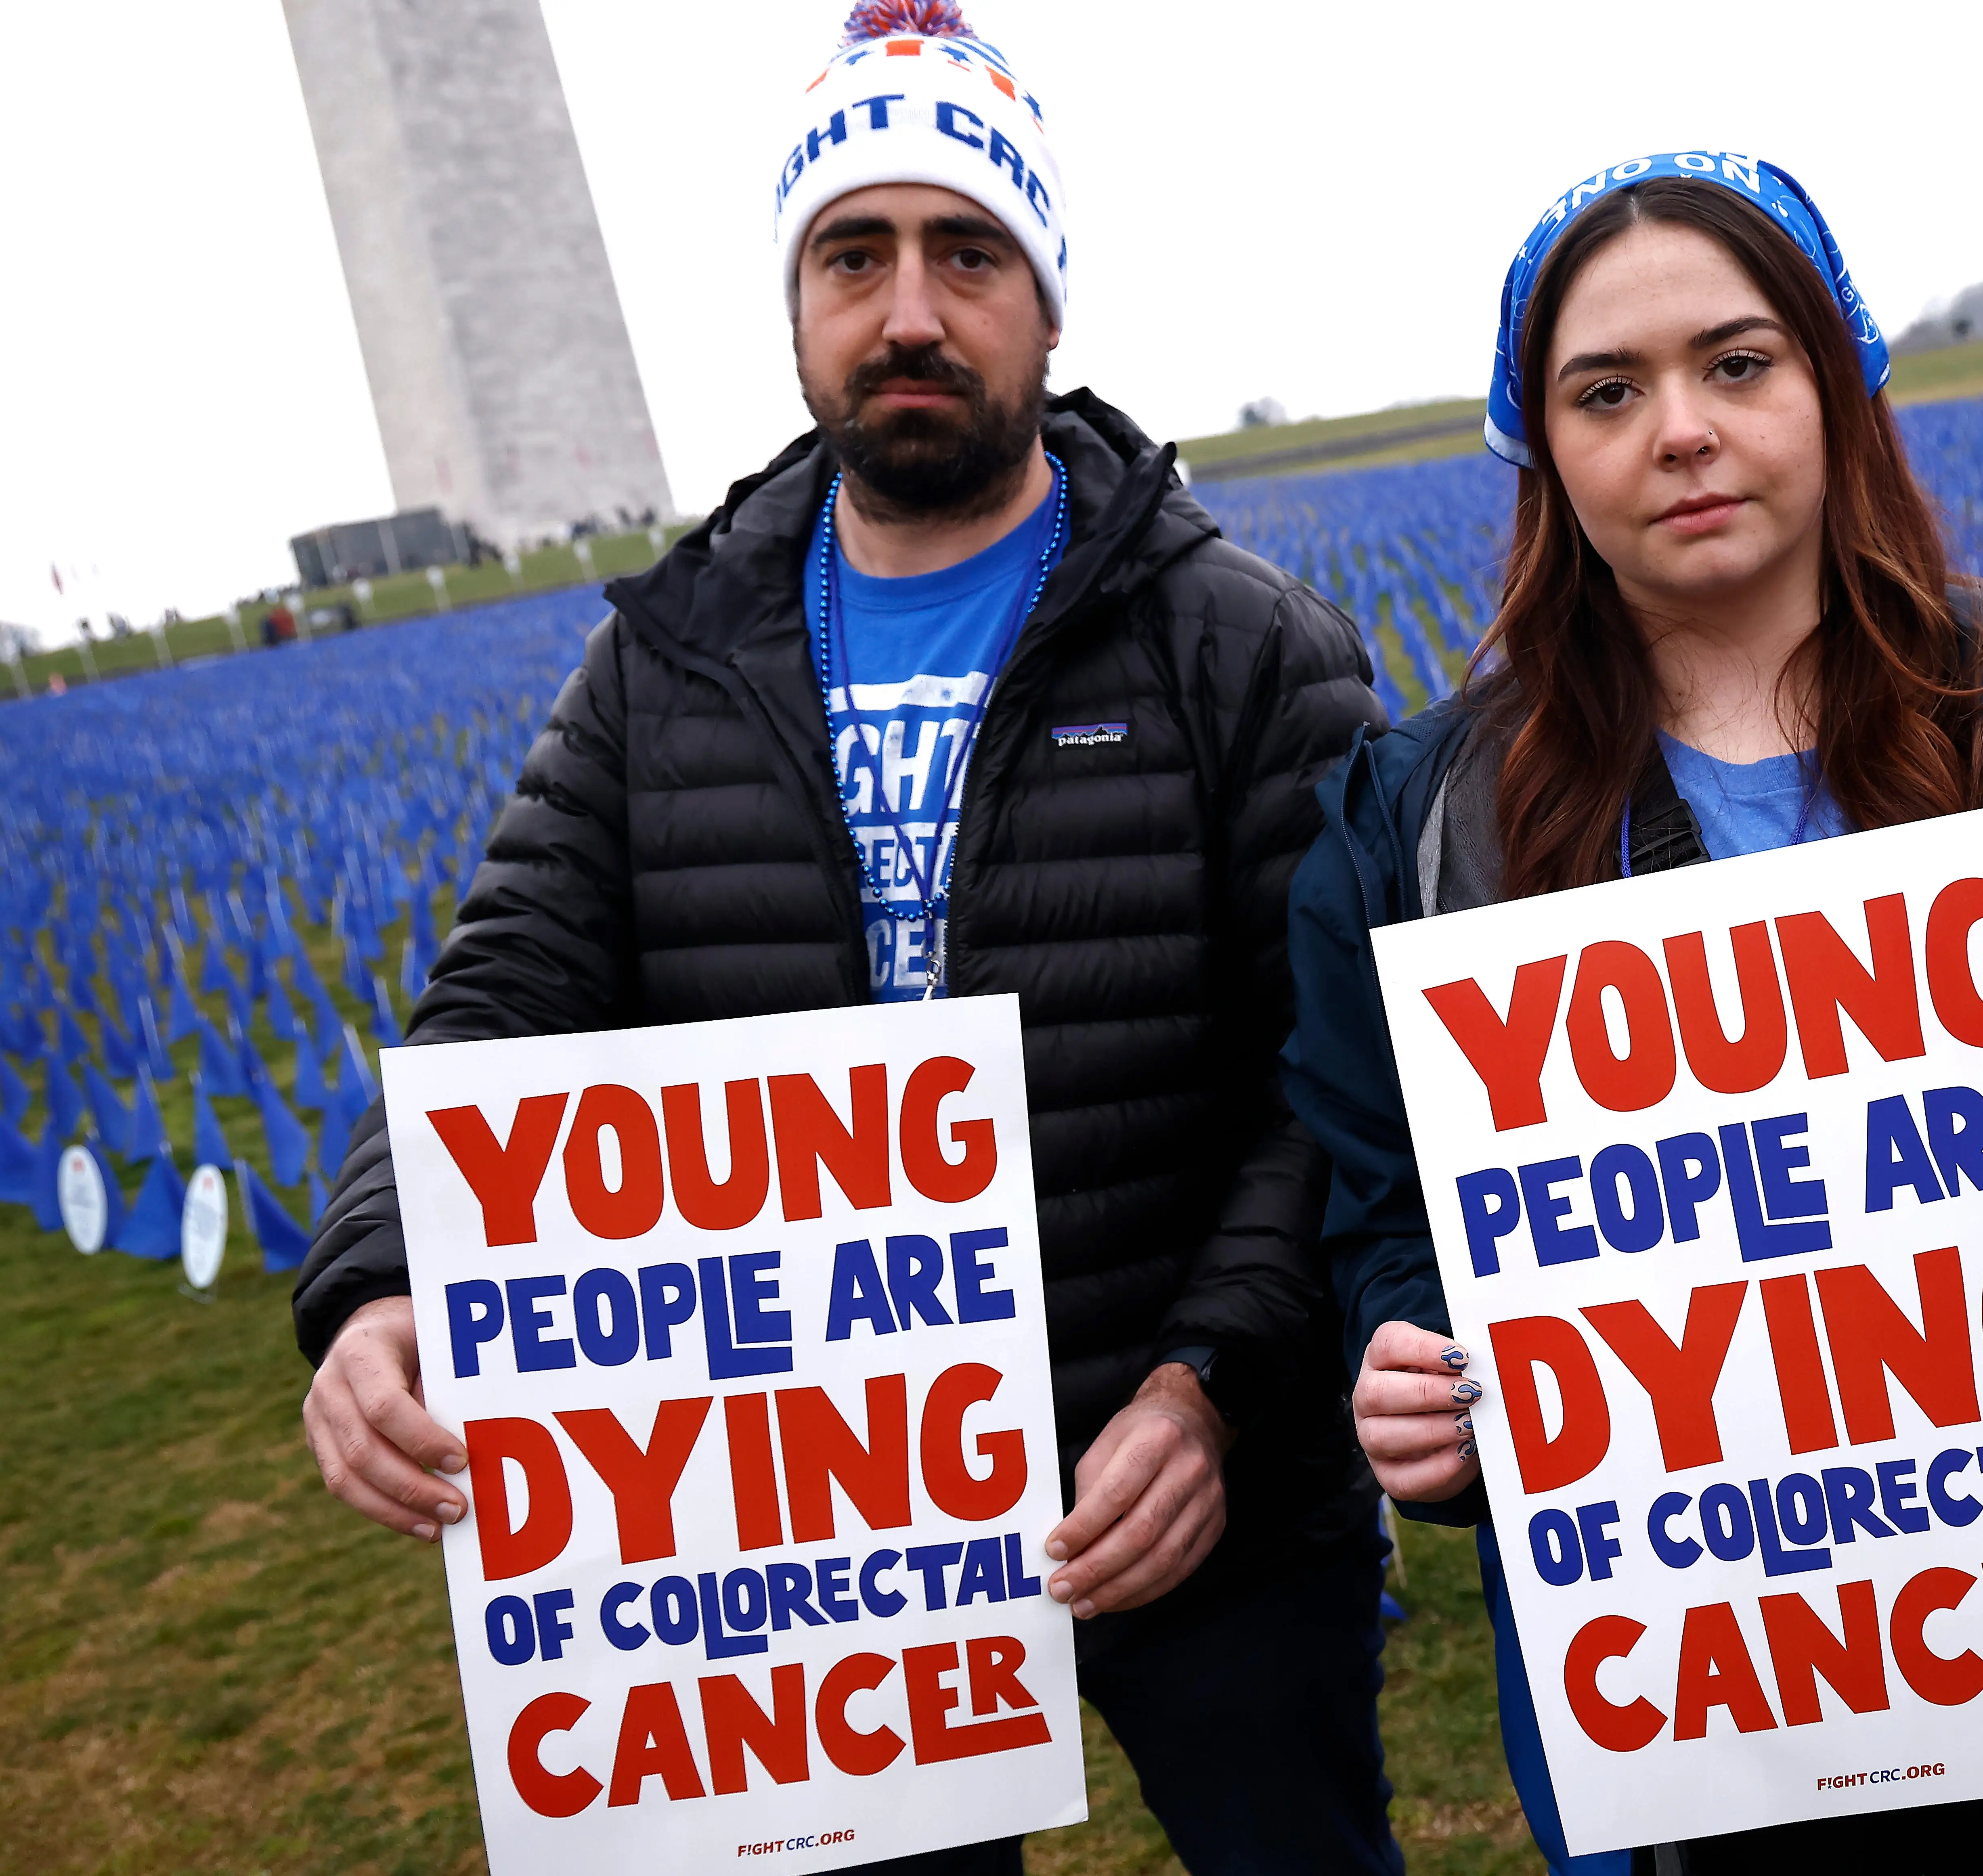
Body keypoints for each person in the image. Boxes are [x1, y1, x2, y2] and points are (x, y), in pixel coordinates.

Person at [291, 5, 1400, 1871]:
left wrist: (1211, 1382)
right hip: (823, 1530)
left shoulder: (1244, 645)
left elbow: (1337, 1073)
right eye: (852, 254)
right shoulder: (662, 661)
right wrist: (383, 1267)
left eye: (967, 252)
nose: (908, 310)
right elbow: (507, 992)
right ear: (794, 305)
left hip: (1194, 1488)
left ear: (1045, 304)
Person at [1280, 153, 1983, 1876]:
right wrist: (1410, 1370)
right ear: (1541, 452)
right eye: (1607, 391)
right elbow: (1382, 1217)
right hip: (1700, 1729)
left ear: (1836, 384)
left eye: (1735, 363)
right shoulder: (1421, 832)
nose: (1681, 430)